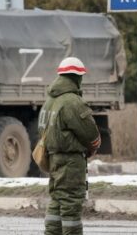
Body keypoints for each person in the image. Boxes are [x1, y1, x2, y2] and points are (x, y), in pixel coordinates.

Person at [38, 57, 101, 235]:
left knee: (57, 199)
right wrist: (93, 147)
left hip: (53, 158)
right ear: (76, 78)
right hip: (71, 162)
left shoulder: (49, 101)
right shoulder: (72, 102)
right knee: (71, 203)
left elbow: (41, 131)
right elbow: (91, 134)